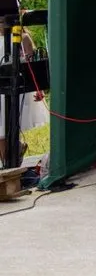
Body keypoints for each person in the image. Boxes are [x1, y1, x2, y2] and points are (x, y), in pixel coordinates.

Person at [0, 23, 47, 168]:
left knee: (7, 128)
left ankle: (9, 164)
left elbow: (32, 68)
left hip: (17, 87)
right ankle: (12, 158)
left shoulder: (23, 37)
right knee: (2, 131)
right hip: (1, 86)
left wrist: (39, 89)